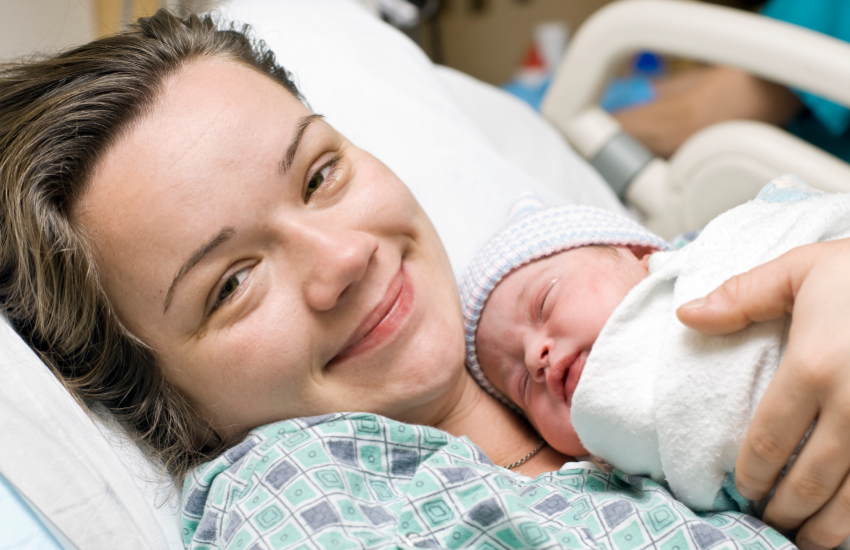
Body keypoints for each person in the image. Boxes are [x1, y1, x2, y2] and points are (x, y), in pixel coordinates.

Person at [0, 8, 847, 549]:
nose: (344, 260)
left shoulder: (566, 309)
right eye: (232, 284)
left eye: (320, 174)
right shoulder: (298, 502)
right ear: (160, 400)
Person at [461, 177, 850, 522]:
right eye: (520, 387)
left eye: (544, 303)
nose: (534, 359)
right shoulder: (613, 482)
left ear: (637, 253)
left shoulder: (717, 258)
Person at [614, 0, 850, 162]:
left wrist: (588, 131)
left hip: (777, 196)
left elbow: (686, 123)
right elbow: (744, 77)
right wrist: (642, 91)